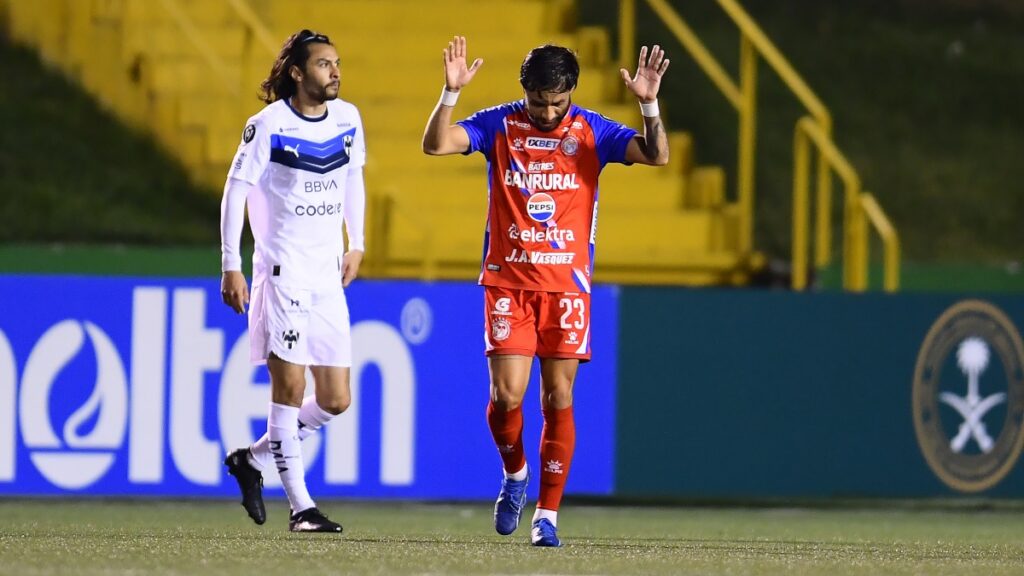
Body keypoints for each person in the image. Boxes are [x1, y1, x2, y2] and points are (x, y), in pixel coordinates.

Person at [421, 37, 669, 546]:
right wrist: (450, 94)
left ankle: (547, 516)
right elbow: (436, 144)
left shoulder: (593, 130)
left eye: (558, 102)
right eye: (539, 102)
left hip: (567, 289)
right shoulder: (499, 124)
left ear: (571, 91)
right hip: (508, 283)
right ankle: (515, 474)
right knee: (506, 396)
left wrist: (649, 106)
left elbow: (657, 155)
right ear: (525, 92)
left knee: (558, 396)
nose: (549, 112)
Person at [219, 29, 366, 533]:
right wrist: (231, 264)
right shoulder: (267, 126)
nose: (335, 71)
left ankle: (251, 459)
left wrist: (357, 241)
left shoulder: (347, 118)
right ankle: (302, 508)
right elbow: (234, 191)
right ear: (298, 73)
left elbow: (353, 177)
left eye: (337, 62)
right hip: (283, 275)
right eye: (325, 64)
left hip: (327, 276)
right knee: (289, 387)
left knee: (336, 399)